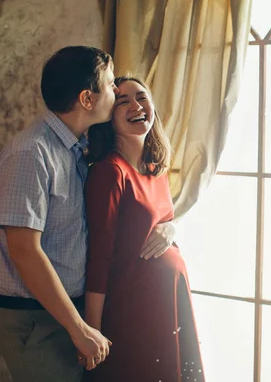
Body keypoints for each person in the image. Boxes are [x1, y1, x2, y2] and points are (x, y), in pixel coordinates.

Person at [0, 47, 175, 382]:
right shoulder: (31, 154)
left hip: (67, 313)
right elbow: (24, 251)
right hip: (38, 319)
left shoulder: (77, 149)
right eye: (110, 84)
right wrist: (79, 328)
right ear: (88, 99)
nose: (118, 91)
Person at [84, 76, 205, 381]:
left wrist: (171, 228)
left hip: (168, 305)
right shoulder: (109, 173)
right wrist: (91, 332)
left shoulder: (155, 169)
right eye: (123, 101)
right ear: (108, 117)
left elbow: (159, 221)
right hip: (132, 312)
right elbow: (99, 259)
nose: (136, 106)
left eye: (142, 97)